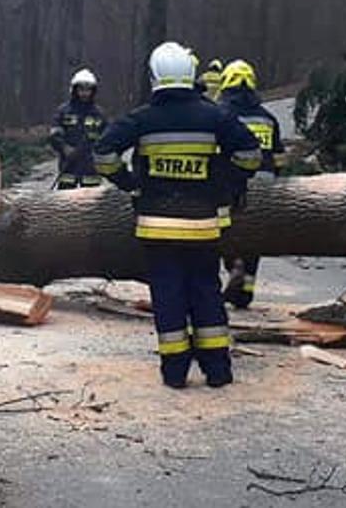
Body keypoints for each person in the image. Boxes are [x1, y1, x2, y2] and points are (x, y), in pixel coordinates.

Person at [95, 42, 263, 388]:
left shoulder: (141, 119)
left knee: (168, 295)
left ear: (155, 77)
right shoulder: (215, 115)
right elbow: (250, 155)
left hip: (156, 227)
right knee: (206, 291)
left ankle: (174, 373)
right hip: (203, 225)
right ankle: (218, 371)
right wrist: (223, 183)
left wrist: (130, 182)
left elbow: (103, 154)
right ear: (189, 74)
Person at [215, 59, 286, 308]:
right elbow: (279, 156)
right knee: (256, 235)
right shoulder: (267, 118)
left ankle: (233, 264)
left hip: (232, 183)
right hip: (265, 182)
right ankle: (246, 288)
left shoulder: (223, 114)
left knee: (224, 230)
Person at [48, 69, 108, 189]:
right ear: (74, 90)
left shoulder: (99, 113)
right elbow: (54, 135)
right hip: (68, 167)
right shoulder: (63, 111)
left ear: (93, 91)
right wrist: (64, 148)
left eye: (88, 89)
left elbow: (107, 137)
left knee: (92, 205)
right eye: (81, 89)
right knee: (65, 204)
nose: (85, 93)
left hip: (91, 169)